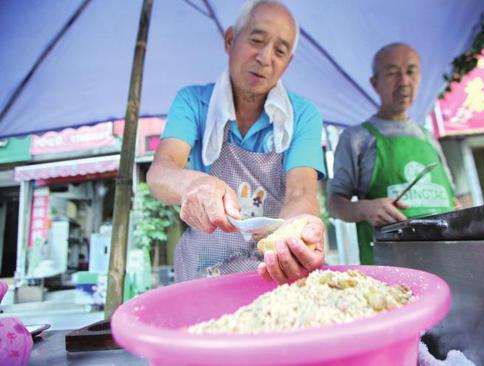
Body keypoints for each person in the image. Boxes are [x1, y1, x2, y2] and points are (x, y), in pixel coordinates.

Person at [147, 0, 326, 284]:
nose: (266, 58)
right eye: (257, 40)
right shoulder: (192, 102)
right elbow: (160, 171)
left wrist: (298, 233)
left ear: (287, 63)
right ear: (230, 39)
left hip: (273, 271)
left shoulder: (303, 115)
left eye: (280, 51)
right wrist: (193, 185)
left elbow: (300, 192)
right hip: (203, 273)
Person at [328, 43, 459, 264]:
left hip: (448, 262)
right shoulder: (357, 138)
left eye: (410, 71)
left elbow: (452, 200)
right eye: (392, 73)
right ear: (375, 83)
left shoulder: (429, 139)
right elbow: (334, 205)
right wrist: (366, 209)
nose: (404, 81)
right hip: (390, 269)